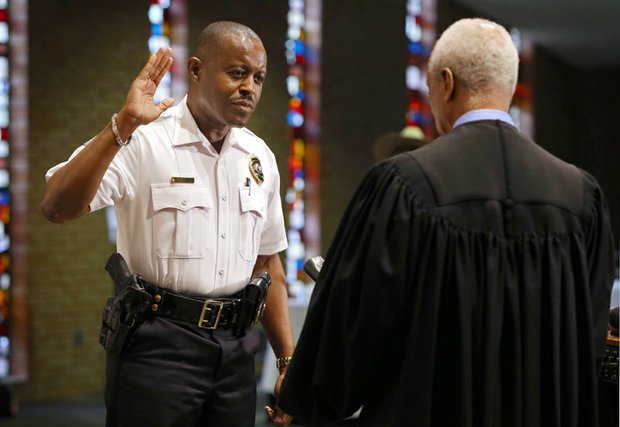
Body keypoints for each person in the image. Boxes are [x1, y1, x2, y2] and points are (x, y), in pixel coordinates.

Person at [268, 18, 615, 427]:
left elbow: (359, 327)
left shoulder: (404, 184)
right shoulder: (579, 194)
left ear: (446, 83)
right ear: (508, 85)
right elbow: (589, 335)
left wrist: (304, 397)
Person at [41, 21, 294, 427]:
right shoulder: (142, 139)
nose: (250, 87)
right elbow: (57, 206)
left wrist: (287, 361)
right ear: (195, 70)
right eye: (237, 72)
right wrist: (122, 124)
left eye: (258, 77)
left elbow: (267, 265)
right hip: (157, 346)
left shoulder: (258, 157)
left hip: (235, 349)